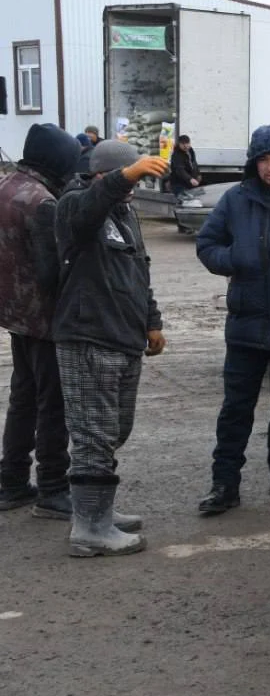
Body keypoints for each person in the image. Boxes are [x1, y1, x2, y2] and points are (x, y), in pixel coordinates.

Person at [52, 141, 168, 557]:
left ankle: (99, 509)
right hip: (88, 337)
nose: (135, 186)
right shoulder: (73, 205)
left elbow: (139, 270)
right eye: (128, 176)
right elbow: (87, 212)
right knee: (92, 435)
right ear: (103, 174)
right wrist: (126, 176)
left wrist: (151, 321)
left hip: (123, 337)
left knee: (114, 429)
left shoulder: (124, 212)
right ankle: (89, 527)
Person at [195, 124, 270, 515]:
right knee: (235, 409)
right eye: (263, 159)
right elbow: (207, 244)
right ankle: (224, 483)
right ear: (253, 163)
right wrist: (234, 260)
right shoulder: (235, 199)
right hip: (246, 325)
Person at [0, 124, 80, 513]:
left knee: (23, 400)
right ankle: (52, 487)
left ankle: (12, 481)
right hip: (45, 322)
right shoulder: (42, 202)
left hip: (15, 315)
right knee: (53, 406)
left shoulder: (6, 186)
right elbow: (53, 273)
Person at [168, 135, 200, 201]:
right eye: (183, 144)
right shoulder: (176, 154)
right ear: (179, 144)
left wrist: (198, 174)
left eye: (187, 143)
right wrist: (190, 179)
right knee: (183, 201)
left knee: (193, 200)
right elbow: (180, 170)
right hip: (178, 184)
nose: (185, 146)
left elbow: (194, 163)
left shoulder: (190, 150)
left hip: (188, 183)